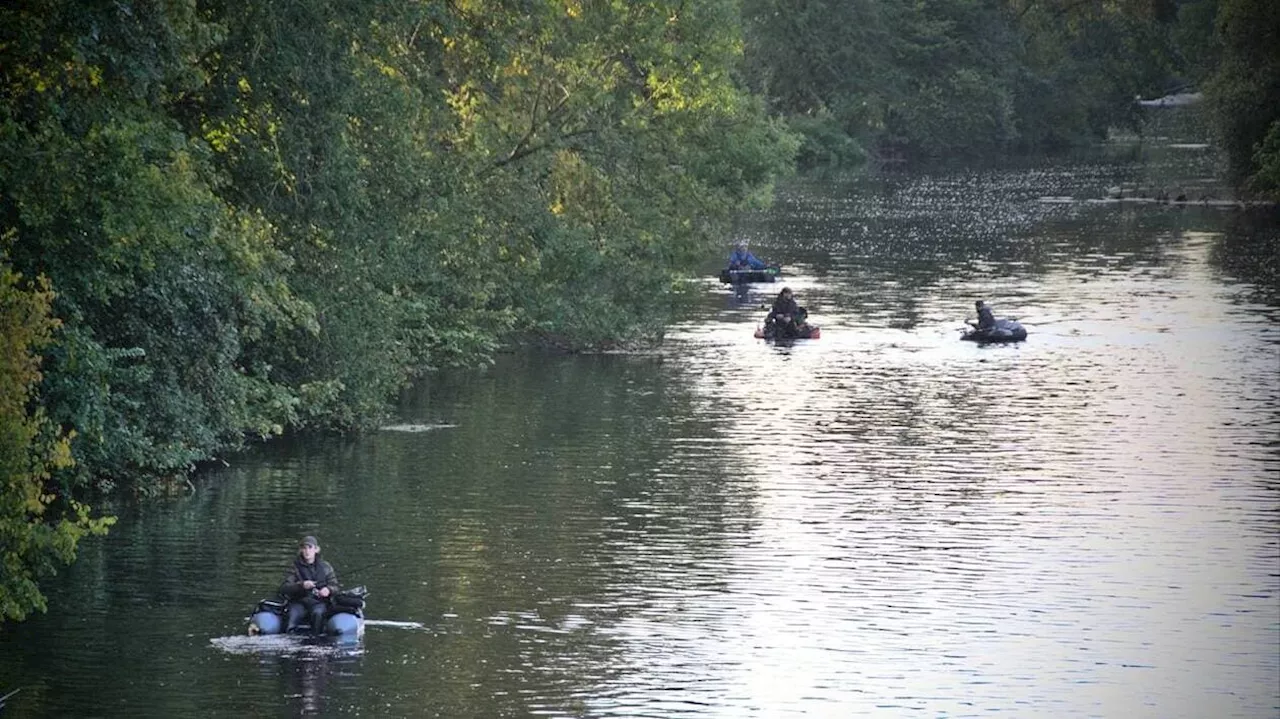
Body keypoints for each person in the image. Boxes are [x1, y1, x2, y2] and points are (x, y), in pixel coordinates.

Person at [280, 535, 339, 633]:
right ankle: (288, 640)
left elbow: (335, 586)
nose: (307, 551)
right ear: (301, 550)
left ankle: (316, 640)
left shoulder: (326, 567)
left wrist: (328, 590)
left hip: (318, 602)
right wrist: (301, 585)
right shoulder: (294, 567)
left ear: (316, 549)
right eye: (304, 548)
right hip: (299, 602)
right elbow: (285, 588)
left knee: (318, 614)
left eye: (310, 547)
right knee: (291, 616)